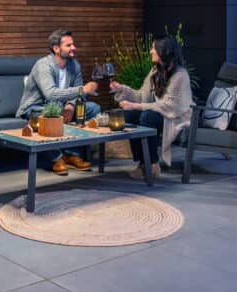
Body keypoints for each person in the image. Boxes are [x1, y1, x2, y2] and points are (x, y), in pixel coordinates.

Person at [17, 29, 101, 175]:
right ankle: (57, 158)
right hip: (36, 108)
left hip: (61, 106)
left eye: (73, 44)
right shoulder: (43, 65)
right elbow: (50, 94)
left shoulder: (74, 65)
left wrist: (71, 105)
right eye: (69, 45)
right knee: (49, 115)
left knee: (93, 108)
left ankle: (71, 154)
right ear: (56, 49)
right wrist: (83, 89)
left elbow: (79, 95)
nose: (73, 48)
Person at [110, 35, 193, 180]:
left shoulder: (180, 75)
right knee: (129, 115)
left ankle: (152, 163)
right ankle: (144, 163)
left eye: (154, 48)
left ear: (163, 51)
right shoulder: (156, 71)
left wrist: (136, 105)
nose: (150, 51)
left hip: (175, 117)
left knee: (147, 116)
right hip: (159, 114)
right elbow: (142, 96)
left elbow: (169, 106)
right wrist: (122, 89)